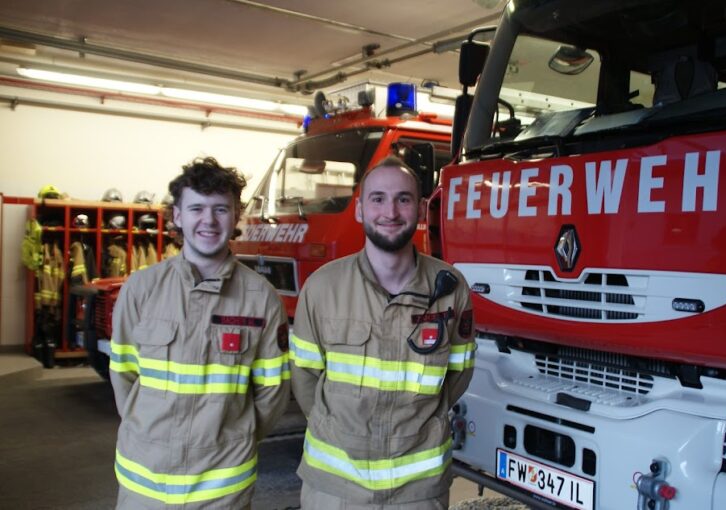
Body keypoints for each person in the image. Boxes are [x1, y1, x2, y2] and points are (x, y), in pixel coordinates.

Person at [290, 156, 476, 509]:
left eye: (403, 199)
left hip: (419, 491)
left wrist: (426, 422)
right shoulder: (322, 289)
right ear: (359, 209)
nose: (390, 212)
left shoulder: (451, 289)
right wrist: (337, 429)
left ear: (421, 209)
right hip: (335, 488)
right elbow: (304, 377)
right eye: (377, 199)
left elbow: (459, 373)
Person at [109, 157, 290, 509]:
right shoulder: (141, 289)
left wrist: (234, 437)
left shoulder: (261, 298)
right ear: (177, 215)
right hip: (143, 481)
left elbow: (272, 393)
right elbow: (124, 376)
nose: (208, 221)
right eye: (196, 208)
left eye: (220, 209)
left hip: (222, 488)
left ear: (236, 215)